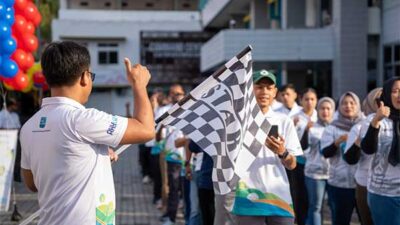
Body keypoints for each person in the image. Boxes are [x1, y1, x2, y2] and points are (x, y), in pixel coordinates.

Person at [19, 41, 155, 225]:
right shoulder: (82, 119)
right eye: (91, 75)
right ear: (84, 77)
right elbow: (146, 129)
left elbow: (32, 183)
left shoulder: (29, 126)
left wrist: (91, 156)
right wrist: (139, 85)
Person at [231, 70, 302, 225]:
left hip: (279, 199)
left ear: (275, 92)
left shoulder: (284, 121)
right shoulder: (237, 122)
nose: (264, 92)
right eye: (259, 87)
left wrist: (282, 152)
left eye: (269, 88)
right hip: (248, 198)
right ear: (251, 90)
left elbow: (292, 165)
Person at [360, 77, 400, 225]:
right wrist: (376, 121)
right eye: (395, 91)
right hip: (384, 194)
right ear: (387, 94)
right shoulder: (373, 119)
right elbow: (368, 149)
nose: (399, 95)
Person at [321, 92, 363, 225]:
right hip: (339, 183)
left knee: (366, 220)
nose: (348, 106)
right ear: (339, 106)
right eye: (344, 103)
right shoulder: (332, 128)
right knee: (340, 221)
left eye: (352, 103)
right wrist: (336, 142)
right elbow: (325, 153)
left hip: (362, 184)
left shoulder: (366, 125)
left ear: (358, 105)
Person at [343, 88, 381, 225]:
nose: (383, 104)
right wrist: (358, 142)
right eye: (378, 100)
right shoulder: (360, 127)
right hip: (365, 183)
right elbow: (350, 159)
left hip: (392, 185)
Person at [303, 97, 335, 225]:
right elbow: (303, 147)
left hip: (334, 174)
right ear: (318, 110)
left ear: (333, 111)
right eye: (322, 108)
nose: (325, 111)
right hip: (314, 173)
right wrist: (305, 131)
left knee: (333, 207)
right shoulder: (311, 127)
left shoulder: (337, 127)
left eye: (328, 108)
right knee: (316, 207)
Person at [290, 88, 318, 225]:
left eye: (312, 99)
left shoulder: (320, 116)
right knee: (299, 195)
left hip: (316, 163)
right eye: (306, 99)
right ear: (301, 100)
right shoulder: (295, 117)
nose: (309, 102)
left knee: (313, 198)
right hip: (299, 162)